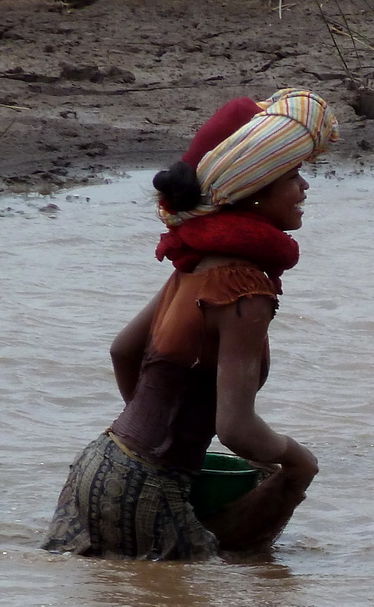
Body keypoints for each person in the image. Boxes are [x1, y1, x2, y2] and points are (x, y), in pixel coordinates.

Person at [41, 88, 339, 560]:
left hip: (99, 466)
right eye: (293, 175)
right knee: (283, 493)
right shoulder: (245, 287)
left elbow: (123, 350)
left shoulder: (194, 265)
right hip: (146, 485)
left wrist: (161, 436)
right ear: (254, 193)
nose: (305, 188)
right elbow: (237, 429)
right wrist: (298, 459)